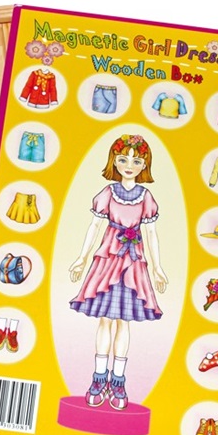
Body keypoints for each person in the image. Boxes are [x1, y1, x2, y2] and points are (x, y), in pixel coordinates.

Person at [69, 134, 168, 410]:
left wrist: (157, 267)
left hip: (133, 261)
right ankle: (99, 378)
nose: (129, 166)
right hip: (108, 259)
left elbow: (151, 233)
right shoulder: (108, 193)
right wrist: (82, 258)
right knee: (105, 320)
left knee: (124, 322)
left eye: (136, 161)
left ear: (144, 165)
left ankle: (118, 381)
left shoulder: (146, 197)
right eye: (123, 160)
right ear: (114, 161)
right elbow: (95, 226)